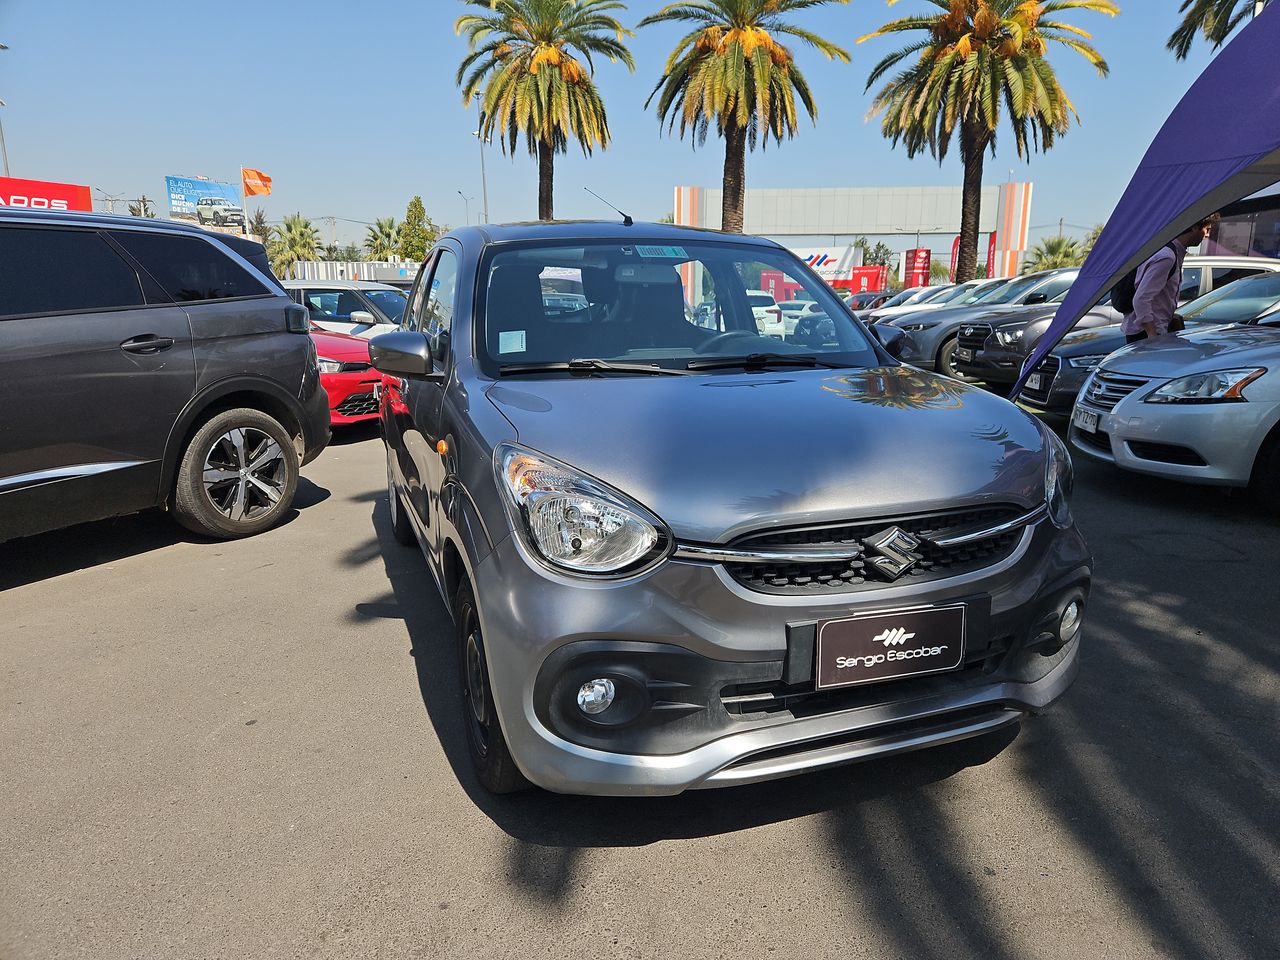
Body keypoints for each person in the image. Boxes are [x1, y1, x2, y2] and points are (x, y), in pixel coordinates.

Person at [1122, 214, 1219, 344]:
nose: (1207, 235)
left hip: (1148, 331)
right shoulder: (1167, 257)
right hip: (1145, 334)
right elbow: (1141, 299)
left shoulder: (1169, 251)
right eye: (1207, 230)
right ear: (1195, 228)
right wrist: (1152, 334)